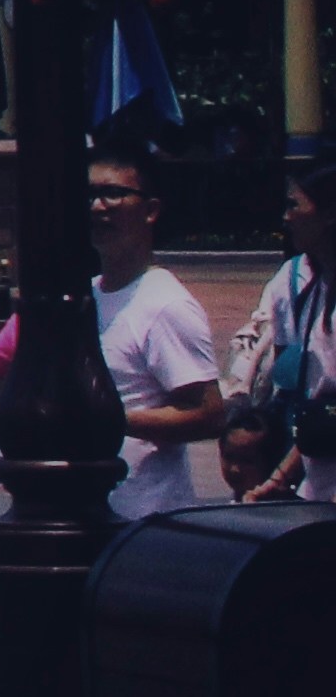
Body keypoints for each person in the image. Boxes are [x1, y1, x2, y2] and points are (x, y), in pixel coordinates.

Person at [91, 154, 227, 523]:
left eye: (113, 193)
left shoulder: (165, 305)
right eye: (88, 194)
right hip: (89, 512)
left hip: (145, 519)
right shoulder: (85, 297)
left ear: (150, 210)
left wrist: (110, 420)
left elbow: (208, 413)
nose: (97, 206)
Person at [227, 160, 336, 501]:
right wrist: (279, 478)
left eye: (294, 205)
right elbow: (318, 410)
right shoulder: (314, 291)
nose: (286, 217)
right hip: (318, 491)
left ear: (330, 213)